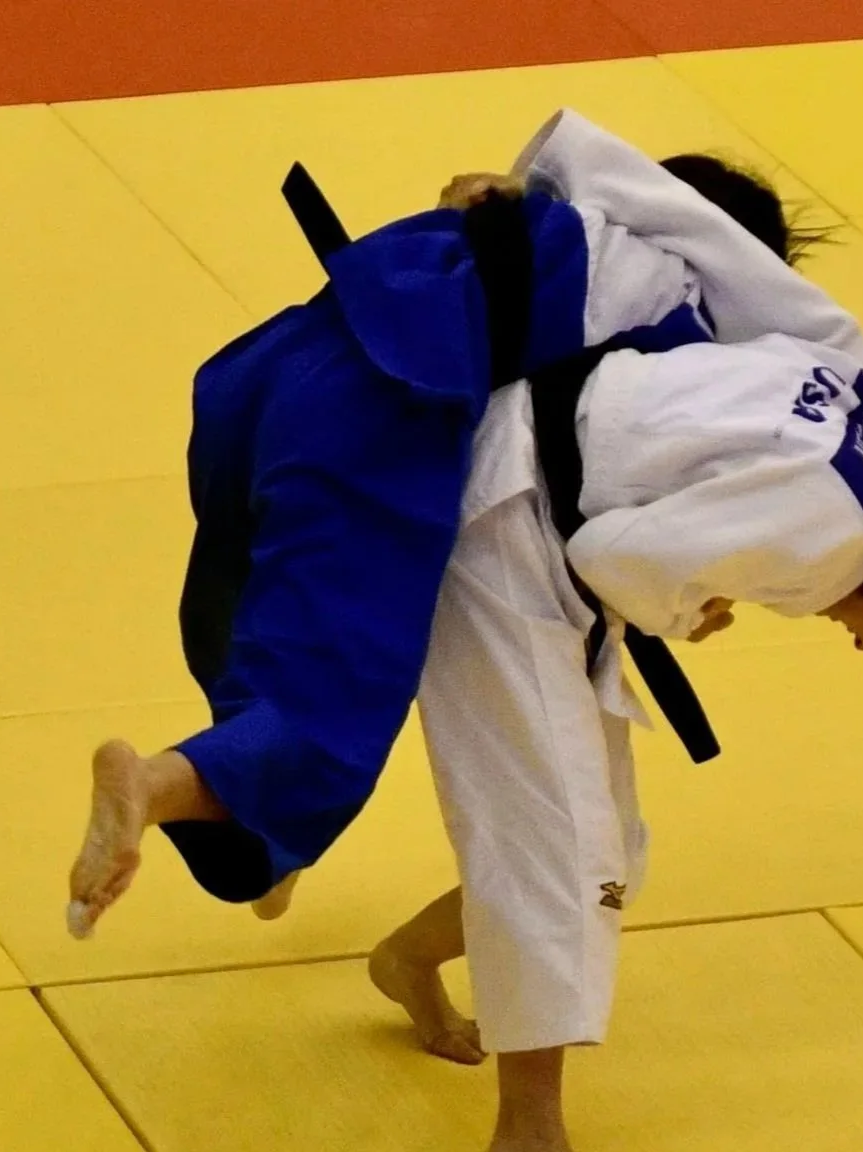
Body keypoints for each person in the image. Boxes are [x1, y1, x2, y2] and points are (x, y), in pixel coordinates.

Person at [366, 118, 863, 1152]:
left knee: (615, 849)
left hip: (531, 493)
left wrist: (539, 185)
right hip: (506, 538)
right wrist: (686, 608)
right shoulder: (817, 528)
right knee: (563, 852)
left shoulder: (858, 388)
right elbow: (610, 559)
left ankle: (407, 960)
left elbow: (711, 241)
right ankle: (526, 1140)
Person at [66, 113, 815, 939]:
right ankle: (154, 783)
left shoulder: (547, 212)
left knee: (252, 634)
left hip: (270, 370)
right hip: (374, 422)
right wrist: (684, 597)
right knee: (340, 694)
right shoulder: (682, 308)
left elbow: (469, 201)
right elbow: (615, 467)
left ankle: (262, 847)